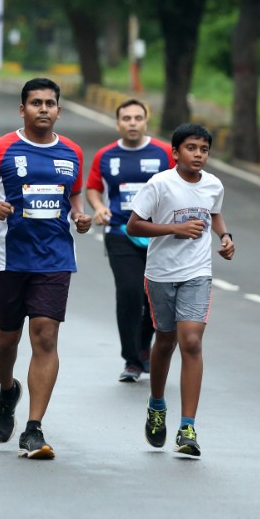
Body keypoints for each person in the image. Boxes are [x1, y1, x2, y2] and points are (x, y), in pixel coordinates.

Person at [0, 78, 91, 460]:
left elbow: (74, 192)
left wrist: (80, 215)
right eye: (36, 103)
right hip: (9, 257)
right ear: (23, 109)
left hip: (55, 257)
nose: (43, 109)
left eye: (50, 103)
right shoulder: (0, 149)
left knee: (45, 337)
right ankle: (6, 389)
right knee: (7, 339)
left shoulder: (72, 152)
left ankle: (33, 428)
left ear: (59, 110)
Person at [125, 123, 235, 458]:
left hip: (197, 273)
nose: (198, 155)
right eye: (191, 148)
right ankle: (157, 405)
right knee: (166, 340)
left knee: (191, 341)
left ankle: (187, 427)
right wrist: (175, 228)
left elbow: (214, 213)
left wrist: (226, 237)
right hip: (160, 274)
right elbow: (134, 225)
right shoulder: (160, 184)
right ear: (175, 152)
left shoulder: (214, 185)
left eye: (203, 149)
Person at [85, 99, 175, 382]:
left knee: (153, 297)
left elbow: (181, 185)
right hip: (120, 233)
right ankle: (131, 360)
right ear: (118, 123)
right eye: (126, 118)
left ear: (146, 121)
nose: (132, 123)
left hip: (157, 235)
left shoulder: (163, 153)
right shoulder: (105, 155)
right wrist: (98, 208)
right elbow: (93, 188)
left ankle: (143, 346)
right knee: (129, 293)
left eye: (138, 118)